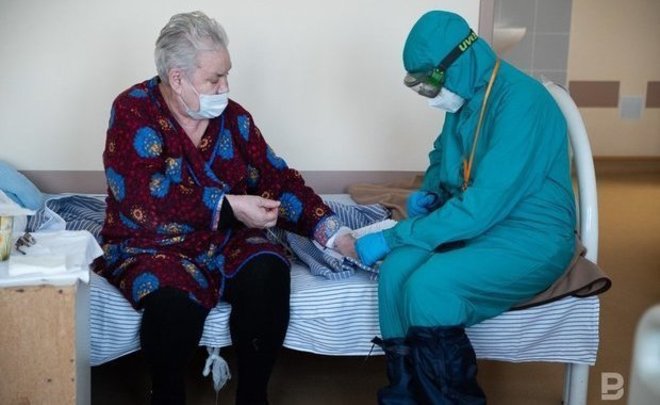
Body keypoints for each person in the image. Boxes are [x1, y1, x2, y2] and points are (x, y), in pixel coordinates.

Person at [94, 11, 352, 405]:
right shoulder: (133, 111)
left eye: (227, 75)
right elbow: (142, 196)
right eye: (214, 79)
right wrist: (229, 205)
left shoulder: (235, 120)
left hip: (225, 238)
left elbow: (277, 180)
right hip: (151, 243)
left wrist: (333, 233)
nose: (225, 87)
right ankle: (166, 396)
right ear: (177, 79)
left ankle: (253, 396)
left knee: (268, 269)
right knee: (172, 306)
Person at [340, 11, 577, 404]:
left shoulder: (523, 103)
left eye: (431, 81)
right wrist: (431, 192)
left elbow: (482, 206)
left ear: (459, 59)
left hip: (531, 237)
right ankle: (404, 395)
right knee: (396, 271)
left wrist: (395, 235)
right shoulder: (466, 101)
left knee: (430, 287)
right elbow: (442, 158)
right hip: (481, 228)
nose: (430, 93)